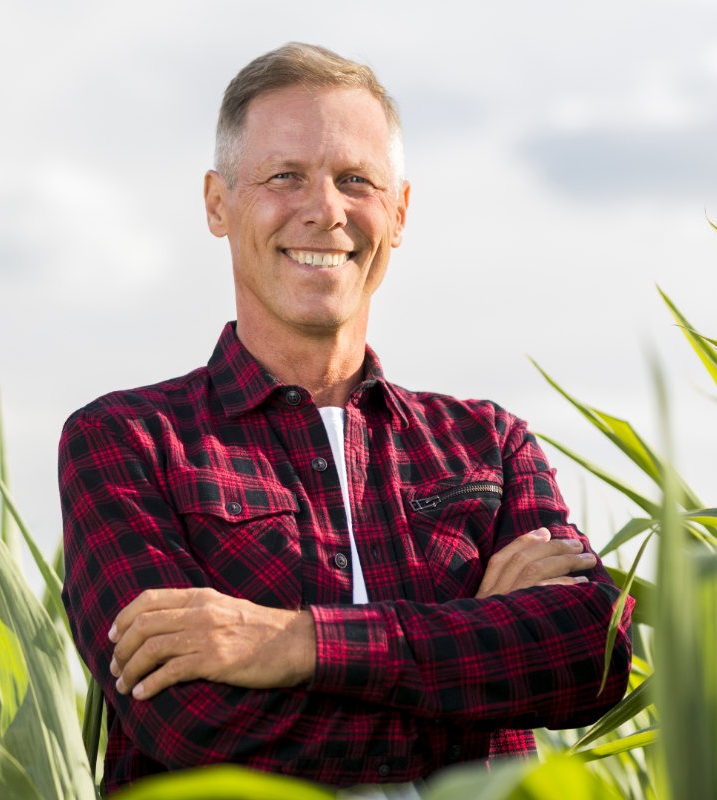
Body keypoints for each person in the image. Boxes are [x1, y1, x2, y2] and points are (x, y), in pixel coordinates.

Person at [59, 42, 634, 797]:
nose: (324, 210)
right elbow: (193, 722)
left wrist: (295, 645)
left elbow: (588, 654)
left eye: (354, 180)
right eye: (283, 176)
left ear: (397, 213)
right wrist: (474, 661)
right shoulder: (128, 443)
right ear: (217, 204)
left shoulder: (489, 445)